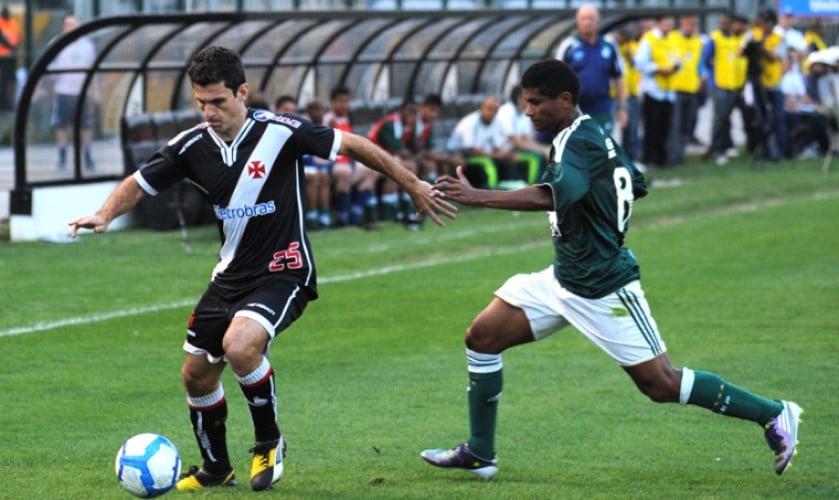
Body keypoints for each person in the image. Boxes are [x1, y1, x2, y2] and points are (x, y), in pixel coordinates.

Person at [68, 46, 456, 492]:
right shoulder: (191, 146)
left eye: (218, 101)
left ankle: (269, 442)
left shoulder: (282, 131)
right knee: (195, 375)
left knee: (240, 345)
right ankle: (217, 467)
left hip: (283, 270)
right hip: (230, 275)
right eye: (201, 103)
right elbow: (139, 183)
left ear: (242, 92)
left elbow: (354, 145)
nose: (209, 112)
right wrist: (104, 214)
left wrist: (412, 185)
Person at [420, 59, 801, 480]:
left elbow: (552, 195)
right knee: (482, 337)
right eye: (525, 103)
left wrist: (477, 197)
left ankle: (774, 413)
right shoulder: (587, 133)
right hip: (563, 279)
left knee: (662, 384)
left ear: (565, 100)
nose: (528, 111)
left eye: (535, 103)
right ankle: (480, 452)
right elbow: (633, 182)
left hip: (604, 287)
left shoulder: (577, 141)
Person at [556, 3, 627, 136]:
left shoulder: (609, 46)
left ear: (598, 21)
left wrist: (622, 108)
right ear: (578, 21)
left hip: (602, 108)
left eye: (591, 18)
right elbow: (556, 78)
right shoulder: (568, 46)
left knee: (602, 148)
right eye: (583, 18)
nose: (587, 22)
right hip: (575, 109)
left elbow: (619, 77)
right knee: (578, 148)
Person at [324, 86, 380, 227]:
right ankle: (341, 219)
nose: (344, 105)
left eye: (347, 101)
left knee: (371, 171)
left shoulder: (347, 118)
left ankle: (355, 216)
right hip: (331, 163)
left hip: (347, 162)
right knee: (345, 172)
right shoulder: (328, 120)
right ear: (332, 102)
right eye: (340, 101)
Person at [367, 99, 424, 228]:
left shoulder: (407, 126)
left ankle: (401, 209)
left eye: (416, 113)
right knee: (409, 166)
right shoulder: (390, 124)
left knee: (407, 167)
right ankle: (403, 210)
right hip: (370, 159)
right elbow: (401, 151)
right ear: (402, 111)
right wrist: (416, 156)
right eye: (411, 112)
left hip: (385, 159)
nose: (413, 116)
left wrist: (414, 129)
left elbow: (416, 149)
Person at [447, 95, 525, 190]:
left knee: (510, 159)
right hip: (461, 154)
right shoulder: (472, 122)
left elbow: (497, 146)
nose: (492, 112)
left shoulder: (495, 122)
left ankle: (513, 187)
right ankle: (490, 190)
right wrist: (495, 155)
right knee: (487, 164)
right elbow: (471, 150)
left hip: (483, 153)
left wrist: (507, 155)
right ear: (482, 108)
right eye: (489, 109)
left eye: (495, 110)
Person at [50, 13, 97, 171]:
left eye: (74, 24)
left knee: (85, 125)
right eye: (68, 24)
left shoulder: (87, 46)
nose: (71, 27)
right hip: (63, 91)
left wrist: (95, 91)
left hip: (82, 93)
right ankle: (62, 157)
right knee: (61, 125)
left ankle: (87, 156)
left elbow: (93, 71)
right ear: (64, 26)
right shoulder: (57, 44)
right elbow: (50, 70)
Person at [635, 15, 679, 167]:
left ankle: (662, 158)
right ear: (659, 23)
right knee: (652, 126)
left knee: (665, 127)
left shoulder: (672, 38)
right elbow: (640, 63)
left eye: (671, 24)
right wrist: (659, 68)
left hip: (668, 91)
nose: (669, 26)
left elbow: (676, 58)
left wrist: (675, 67)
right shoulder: (649, 39)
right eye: (667, 23)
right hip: (653, 90)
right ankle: (650, 158)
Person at [705, 13, 749, 165]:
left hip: (737, 85)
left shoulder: (737, 39)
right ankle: (718, 150)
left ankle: (728, 146)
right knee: (720, 120)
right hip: (721, 85)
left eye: (726, 23)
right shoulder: (715, 38)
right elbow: (706, 60)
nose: (723, 25)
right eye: (721, 22)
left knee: (731, 119)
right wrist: (712, 81)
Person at [667, 15, 703, 165]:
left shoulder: (697, 41)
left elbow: (699, 64)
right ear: (681, 23)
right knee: (674, 125)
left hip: (691, 88)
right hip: (676, 88)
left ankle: (680, 154)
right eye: (688, 24)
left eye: (693, 24)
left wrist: (700, 79)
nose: (691, 27)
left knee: (686, 125)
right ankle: (672, 155)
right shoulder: (672, 37)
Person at [496, 84, 547, 184]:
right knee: (535, 157)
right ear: (520, 99)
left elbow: (528, 139)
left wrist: (544, 149)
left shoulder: (524, 113)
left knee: (550, 149)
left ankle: (548, 183)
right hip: (504, 152)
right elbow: (517, 142)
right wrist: (542, 151)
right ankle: (534, 188)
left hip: (516, 149)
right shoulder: (506, 111)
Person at [300, 99, 333, 230]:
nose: (319, 113)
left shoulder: (323, 126)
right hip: (300, 165)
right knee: (315, 177)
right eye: (316, 110)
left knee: (323, 176)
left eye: (321, 110)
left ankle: (324, 216)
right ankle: (311, 217)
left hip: (313, 164)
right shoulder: (303, 124)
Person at [0, 5, 20, 110]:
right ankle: (3, 103)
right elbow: (2, 38)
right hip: (2, 57)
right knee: (3, 81)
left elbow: (17, 38)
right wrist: (11, 46)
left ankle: (8, 103)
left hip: (10, 57)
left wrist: (14, 47)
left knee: (10, 80)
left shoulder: (14, 24)